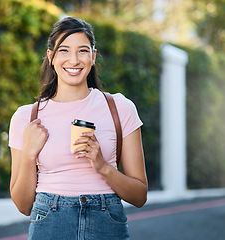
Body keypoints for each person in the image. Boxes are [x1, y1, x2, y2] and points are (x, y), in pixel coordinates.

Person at [8, 16, 148, 240]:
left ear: (92, 57)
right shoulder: (26, 117)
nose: (73, 60)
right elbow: (23, 206)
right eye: (64, 50)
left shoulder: (120, 108)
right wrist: (28, 155)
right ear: (51, 56)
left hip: (107, 223)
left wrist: (102, 165)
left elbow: (139, 196)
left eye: (82, 51)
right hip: (49, 223)